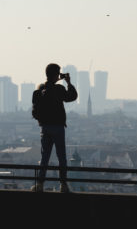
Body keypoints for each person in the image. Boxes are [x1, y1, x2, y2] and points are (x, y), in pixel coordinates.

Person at [31, 63, 78, 192]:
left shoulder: (40, 89)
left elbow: (35, 111)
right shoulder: (58, 89)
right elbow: (72, 97)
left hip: (44, 127)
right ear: (56, 75)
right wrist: (68, 82)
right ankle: (63, 185)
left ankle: (40, 184)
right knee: (61, 157)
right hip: (57, 127)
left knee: (44, 157)